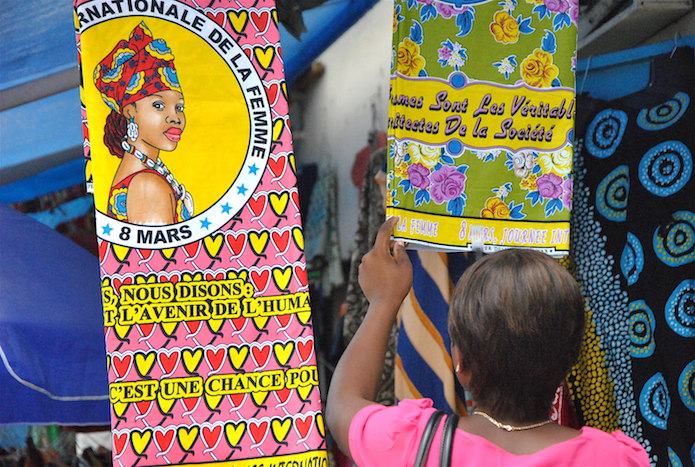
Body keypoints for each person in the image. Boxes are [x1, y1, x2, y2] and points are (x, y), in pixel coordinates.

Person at [326, 217, 649, 466]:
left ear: (461, 363)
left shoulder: (412, 442)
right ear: (568, 363)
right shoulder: (614, 459)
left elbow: (343, 404)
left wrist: (384, 301)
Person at [94, 22, 193, 225]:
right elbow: (162, 258)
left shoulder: (145, 175)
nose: (175, 117)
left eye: (179, 107)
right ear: (130, 111)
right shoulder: (147, 185)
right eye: (158, 105)